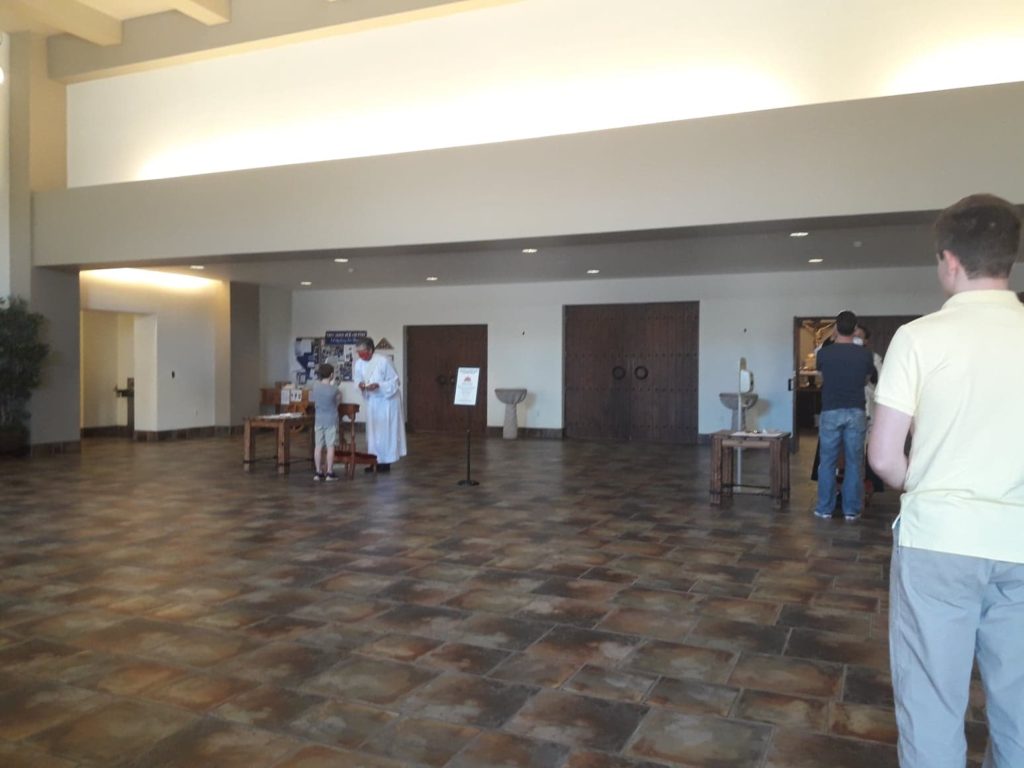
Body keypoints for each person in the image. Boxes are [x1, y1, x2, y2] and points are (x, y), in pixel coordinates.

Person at [869, 194, 1024, 768]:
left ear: (950, 261)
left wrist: (931, 481)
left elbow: (884, 458)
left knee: (932, 702)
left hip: (939, 541)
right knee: (1019, 706)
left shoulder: (920, 337)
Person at [814, 310, 875, 520]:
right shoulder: (865, 354)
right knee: (854, 462)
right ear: (855, 328)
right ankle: (851, 510)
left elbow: (821, 377)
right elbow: (867, 380)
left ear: (835, 328)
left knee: (828, 462)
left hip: (831, 409)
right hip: (856, 410)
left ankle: (824, 508)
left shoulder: (824, 353)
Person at [354, 336, 407, 472]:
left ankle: (385, 462)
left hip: (386, 402)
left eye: (363, 351)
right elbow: (358, 378)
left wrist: (379, 386)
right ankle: (373, 460)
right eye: (358, 352)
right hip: (373, 402)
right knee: (373, 433)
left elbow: (395, 382)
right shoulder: (359, 363)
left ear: (371, 350)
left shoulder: (383, 361)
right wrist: (360, 385)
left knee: (385, 433)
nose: (361, 355)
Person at [311, 362, 341, 481]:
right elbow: (338, 401)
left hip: (318, 420)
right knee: (330, 446)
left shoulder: (315, 386)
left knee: (318, 446)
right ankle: (329, 472)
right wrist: (334, 385)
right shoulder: (334, 389)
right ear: (332, 375)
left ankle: (318, 472)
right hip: (331, 420)